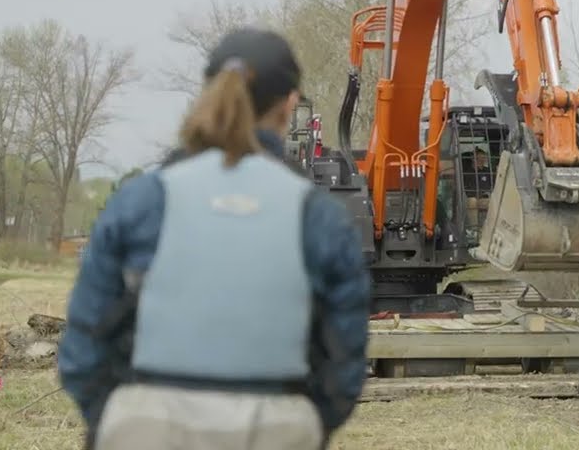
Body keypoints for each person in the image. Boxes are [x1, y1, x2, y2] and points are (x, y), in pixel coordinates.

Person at [57, 27, 371, 450]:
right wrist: (304, 427)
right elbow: (344, 360)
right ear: (290, 103)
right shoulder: (320, 217)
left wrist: (117, 423)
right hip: (276, 428)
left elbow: (83, 346)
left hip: (146, 427)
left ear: (209, 91)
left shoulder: (141, 201)